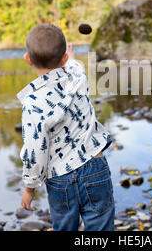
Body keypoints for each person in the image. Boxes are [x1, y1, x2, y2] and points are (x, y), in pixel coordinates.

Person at [18, 23, 114, 231]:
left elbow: (36, 149)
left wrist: (30, 187)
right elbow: (73, 64)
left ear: (27, 59)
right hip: (94, 166)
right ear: (63, 58)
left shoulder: (33, 102)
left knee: (64, 228)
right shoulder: (78, 76)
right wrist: (69, 57)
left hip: (60, 177)